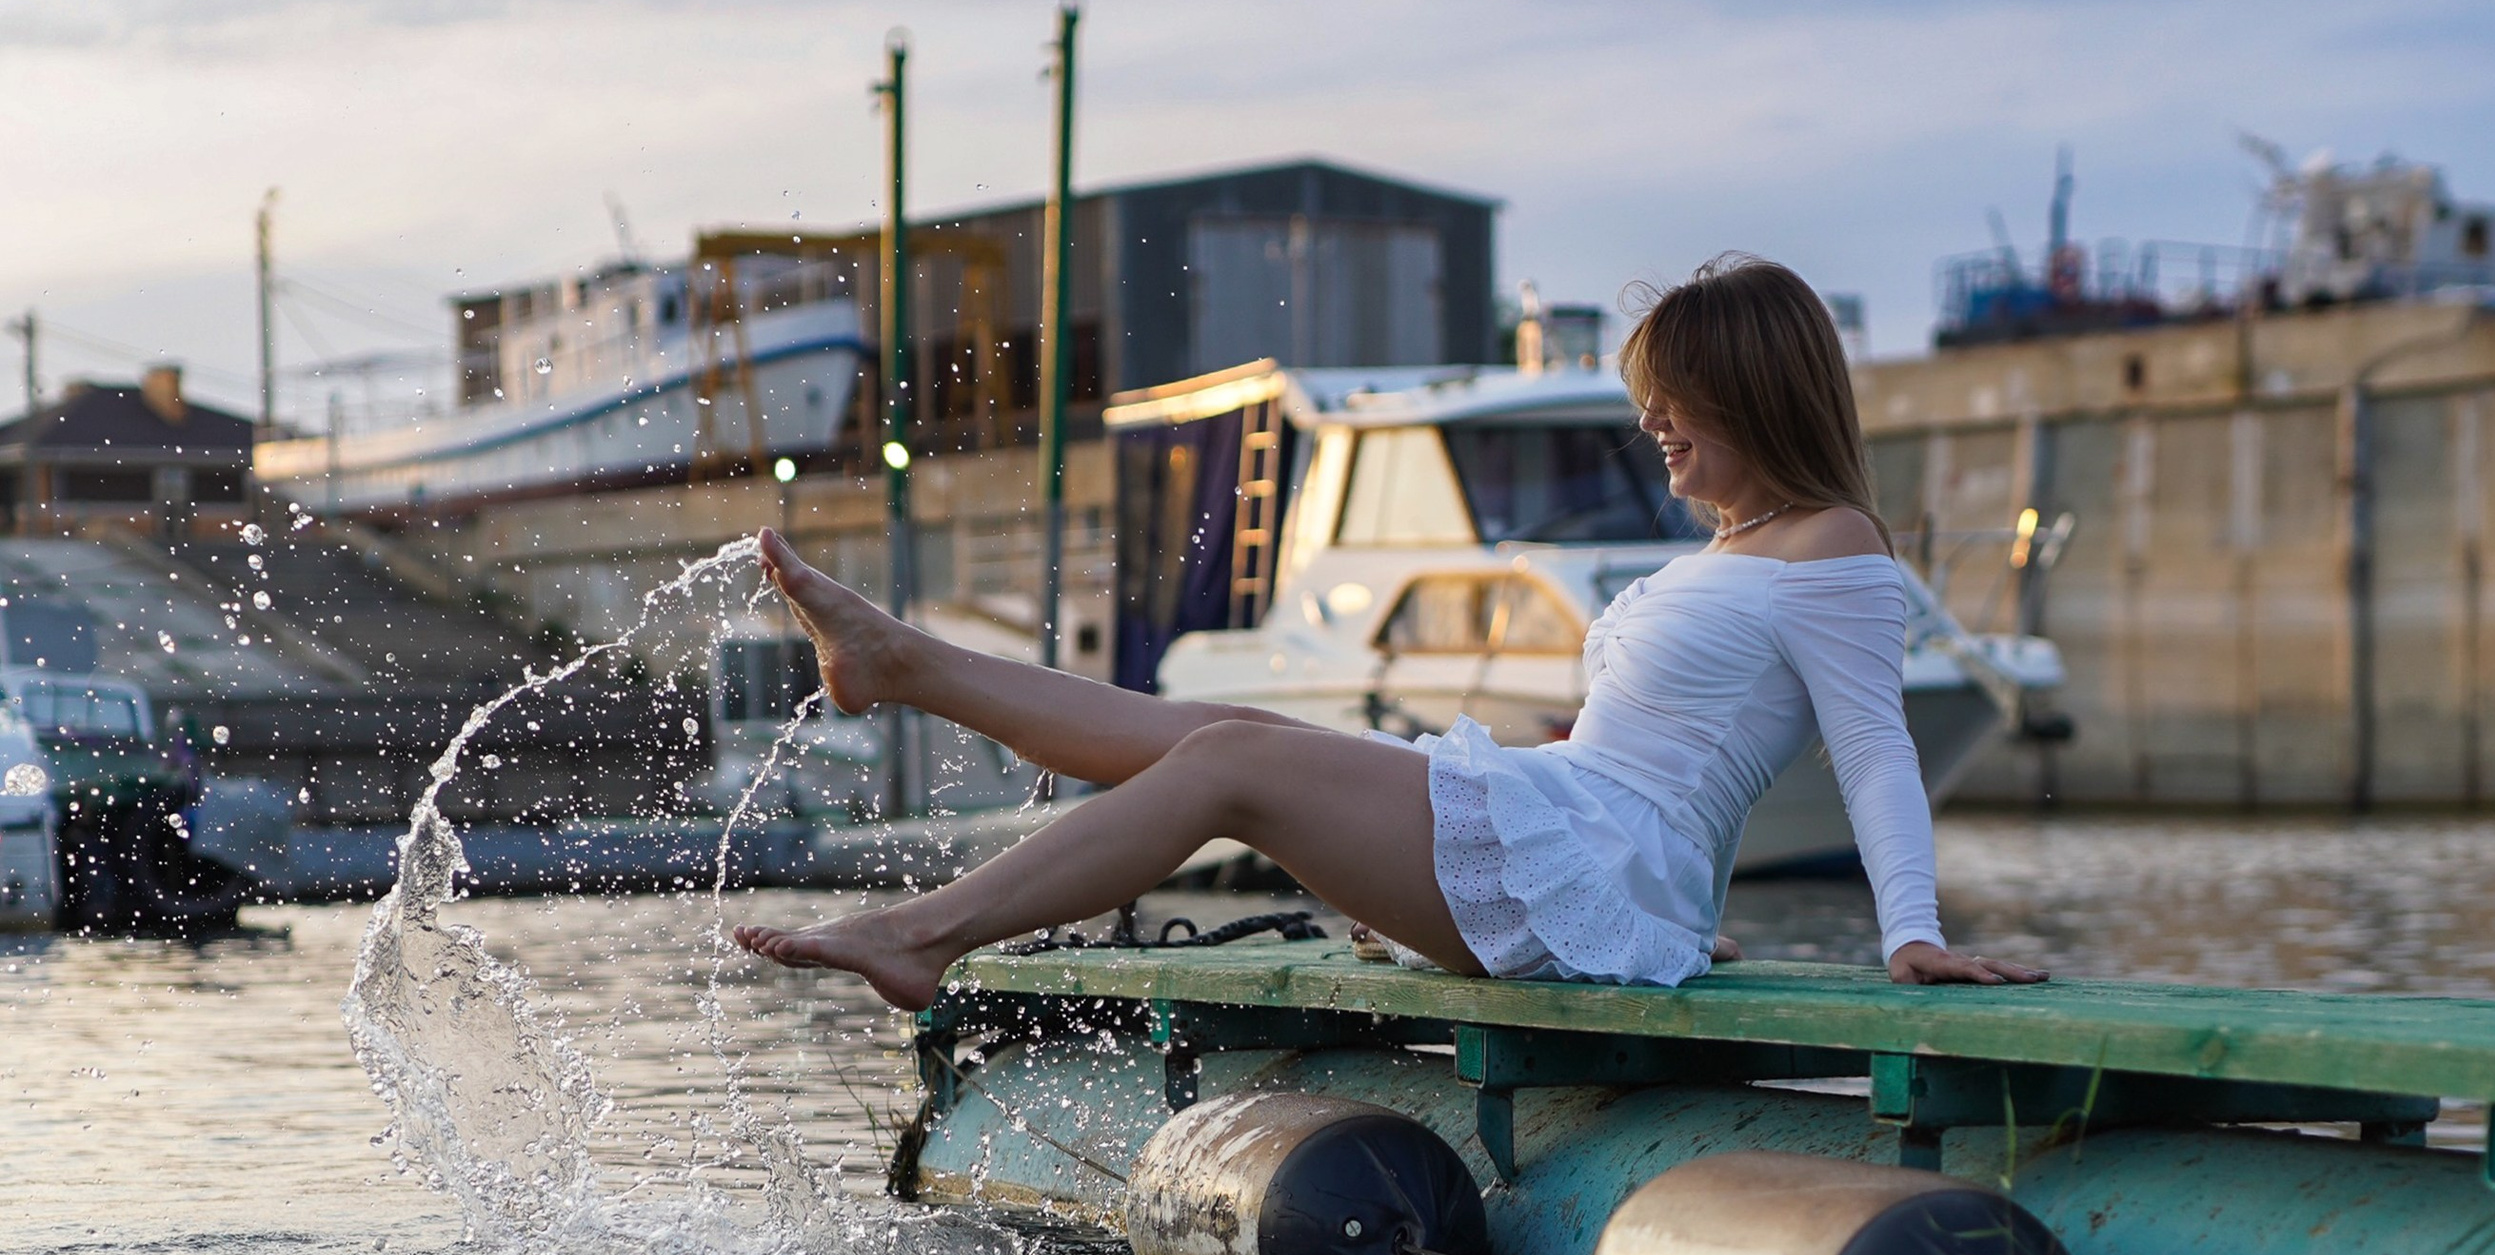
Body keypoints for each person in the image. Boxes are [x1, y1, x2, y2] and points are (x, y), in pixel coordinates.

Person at [732, 252, 2046, 1005]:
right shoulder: (1738, 551)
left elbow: (1875, 754)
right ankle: (903, 662)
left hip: (1595, 861)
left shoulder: (1839, 555)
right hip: (1585, 841)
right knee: (1228, 728)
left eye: (1675, 401)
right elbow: (1682, 741)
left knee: (1231, 768)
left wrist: (1908, 935)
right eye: (1650, 400)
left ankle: (922, 933)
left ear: (1759, 394)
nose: (1653, 424)